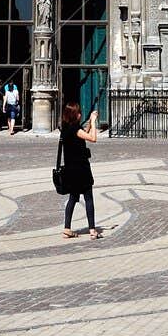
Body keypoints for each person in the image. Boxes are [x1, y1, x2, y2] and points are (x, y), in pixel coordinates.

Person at [59, 101, 101, 239]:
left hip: (70, 170)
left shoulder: (66, 129)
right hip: (81, 169)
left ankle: (67, 228)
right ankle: (92, 230)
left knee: (72, 198)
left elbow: (84, 133)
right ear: (74, 115)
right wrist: (94, 122)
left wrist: (89, 122)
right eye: (78, 112)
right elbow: (93, 138)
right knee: (88, 198)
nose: (80, 114)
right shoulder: (75, 130)